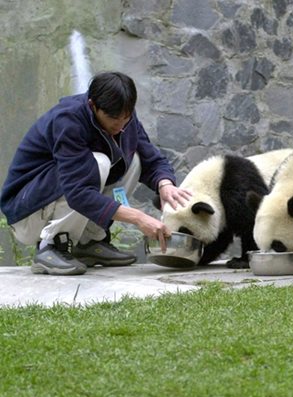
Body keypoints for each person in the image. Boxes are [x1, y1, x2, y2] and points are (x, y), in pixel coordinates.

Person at [0, 71, 191, 275]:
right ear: (92, 105)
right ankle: (52, 245)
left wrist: (165, 184)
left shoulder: (124, 118)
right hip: (28, 213)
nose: (120, 125)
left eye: (126, 118)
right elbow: (78, 193)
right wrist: (138, 218)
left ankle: (89, 241)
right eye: (113, 119)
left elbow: (150, 157)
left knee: (134, 159)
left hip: (59, 197)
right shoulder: (68, 121)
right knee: (98, 162)